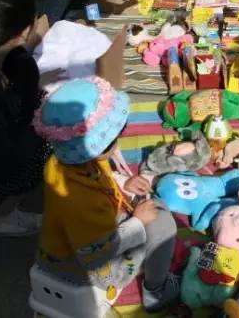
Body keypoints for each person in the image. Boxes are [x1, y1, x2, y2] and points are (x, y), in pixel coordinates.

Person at [34, 77, 179, 312]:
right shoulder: (81, 200)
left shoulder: (65, 159)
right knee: (163, 224)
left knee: (153, 209)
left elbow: (99, 179)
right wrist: (137, 223)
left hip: (68, 245)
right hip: (88, 268)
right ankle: (156, 291)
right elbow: (96, 252)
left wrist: (123, 183)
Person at [0, 0, 52, 237]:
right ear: (25, 30)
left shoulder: (18, 62)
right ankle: (1, 216)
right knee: (52, 140)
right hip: (3, 162)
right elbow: (6, 155)